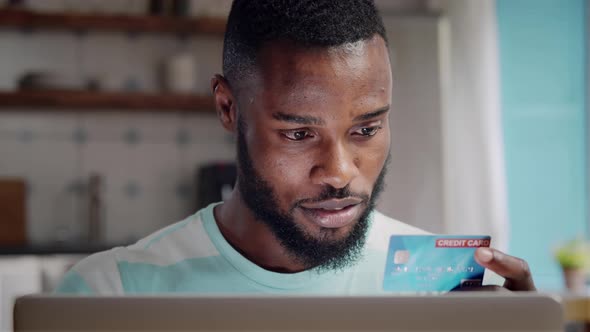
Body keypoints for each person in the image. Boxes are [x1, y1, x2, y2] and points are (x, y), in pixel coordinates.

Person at [56, 0, 535, 294]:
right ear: (228, 108)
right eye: (300, 134)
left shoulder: (442, 277)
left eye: (366, 130)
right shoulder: (112, 291)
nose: (341, 172)